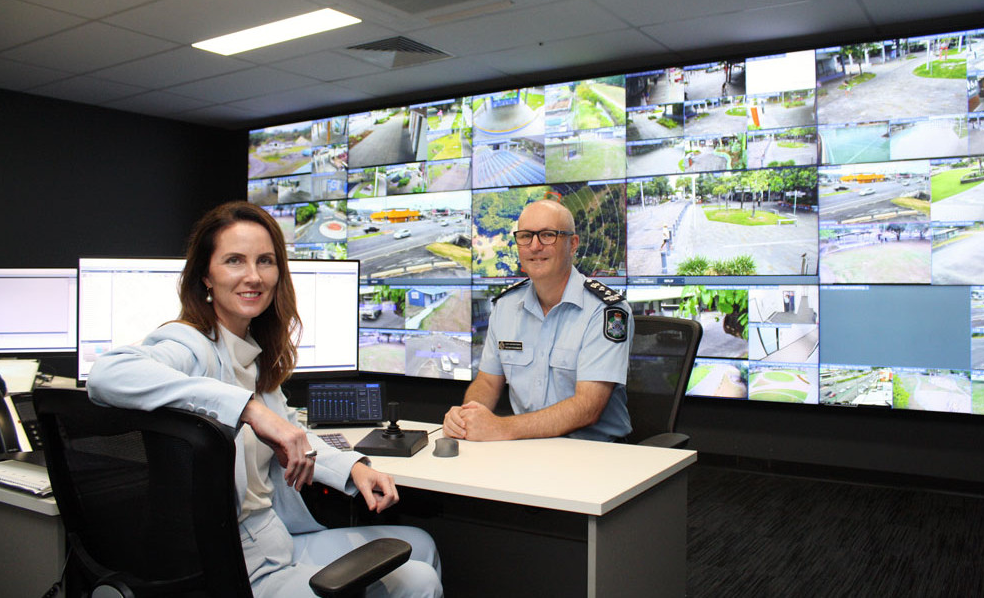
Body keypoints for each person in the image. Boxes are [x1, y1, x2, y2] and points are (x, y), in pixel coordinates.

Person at [87, 201, 442, 598]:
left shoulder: (250, 352)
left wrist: (353, 468)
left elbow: (291, 432)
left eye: (266, 261)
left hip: (276, 540)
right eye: (234, 261)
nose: (253, 277)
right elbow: (107, 374)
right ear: (205, 275)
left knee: (419, 543)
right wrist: (247, 408)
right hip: (235, 566)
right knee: (419, 581)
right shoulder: (189, 343)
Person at [443, 199, 633, 443]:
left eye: (547, 235)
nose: (534, 246)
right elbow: (488, 382)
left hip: (594, 453)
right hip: (525, 447)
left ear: (572, 244)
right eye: (525, 236)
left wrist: (501, 428)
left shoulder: (606, 311)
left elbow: (588, 407)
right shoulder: (505, 307)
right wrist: (466, 417)